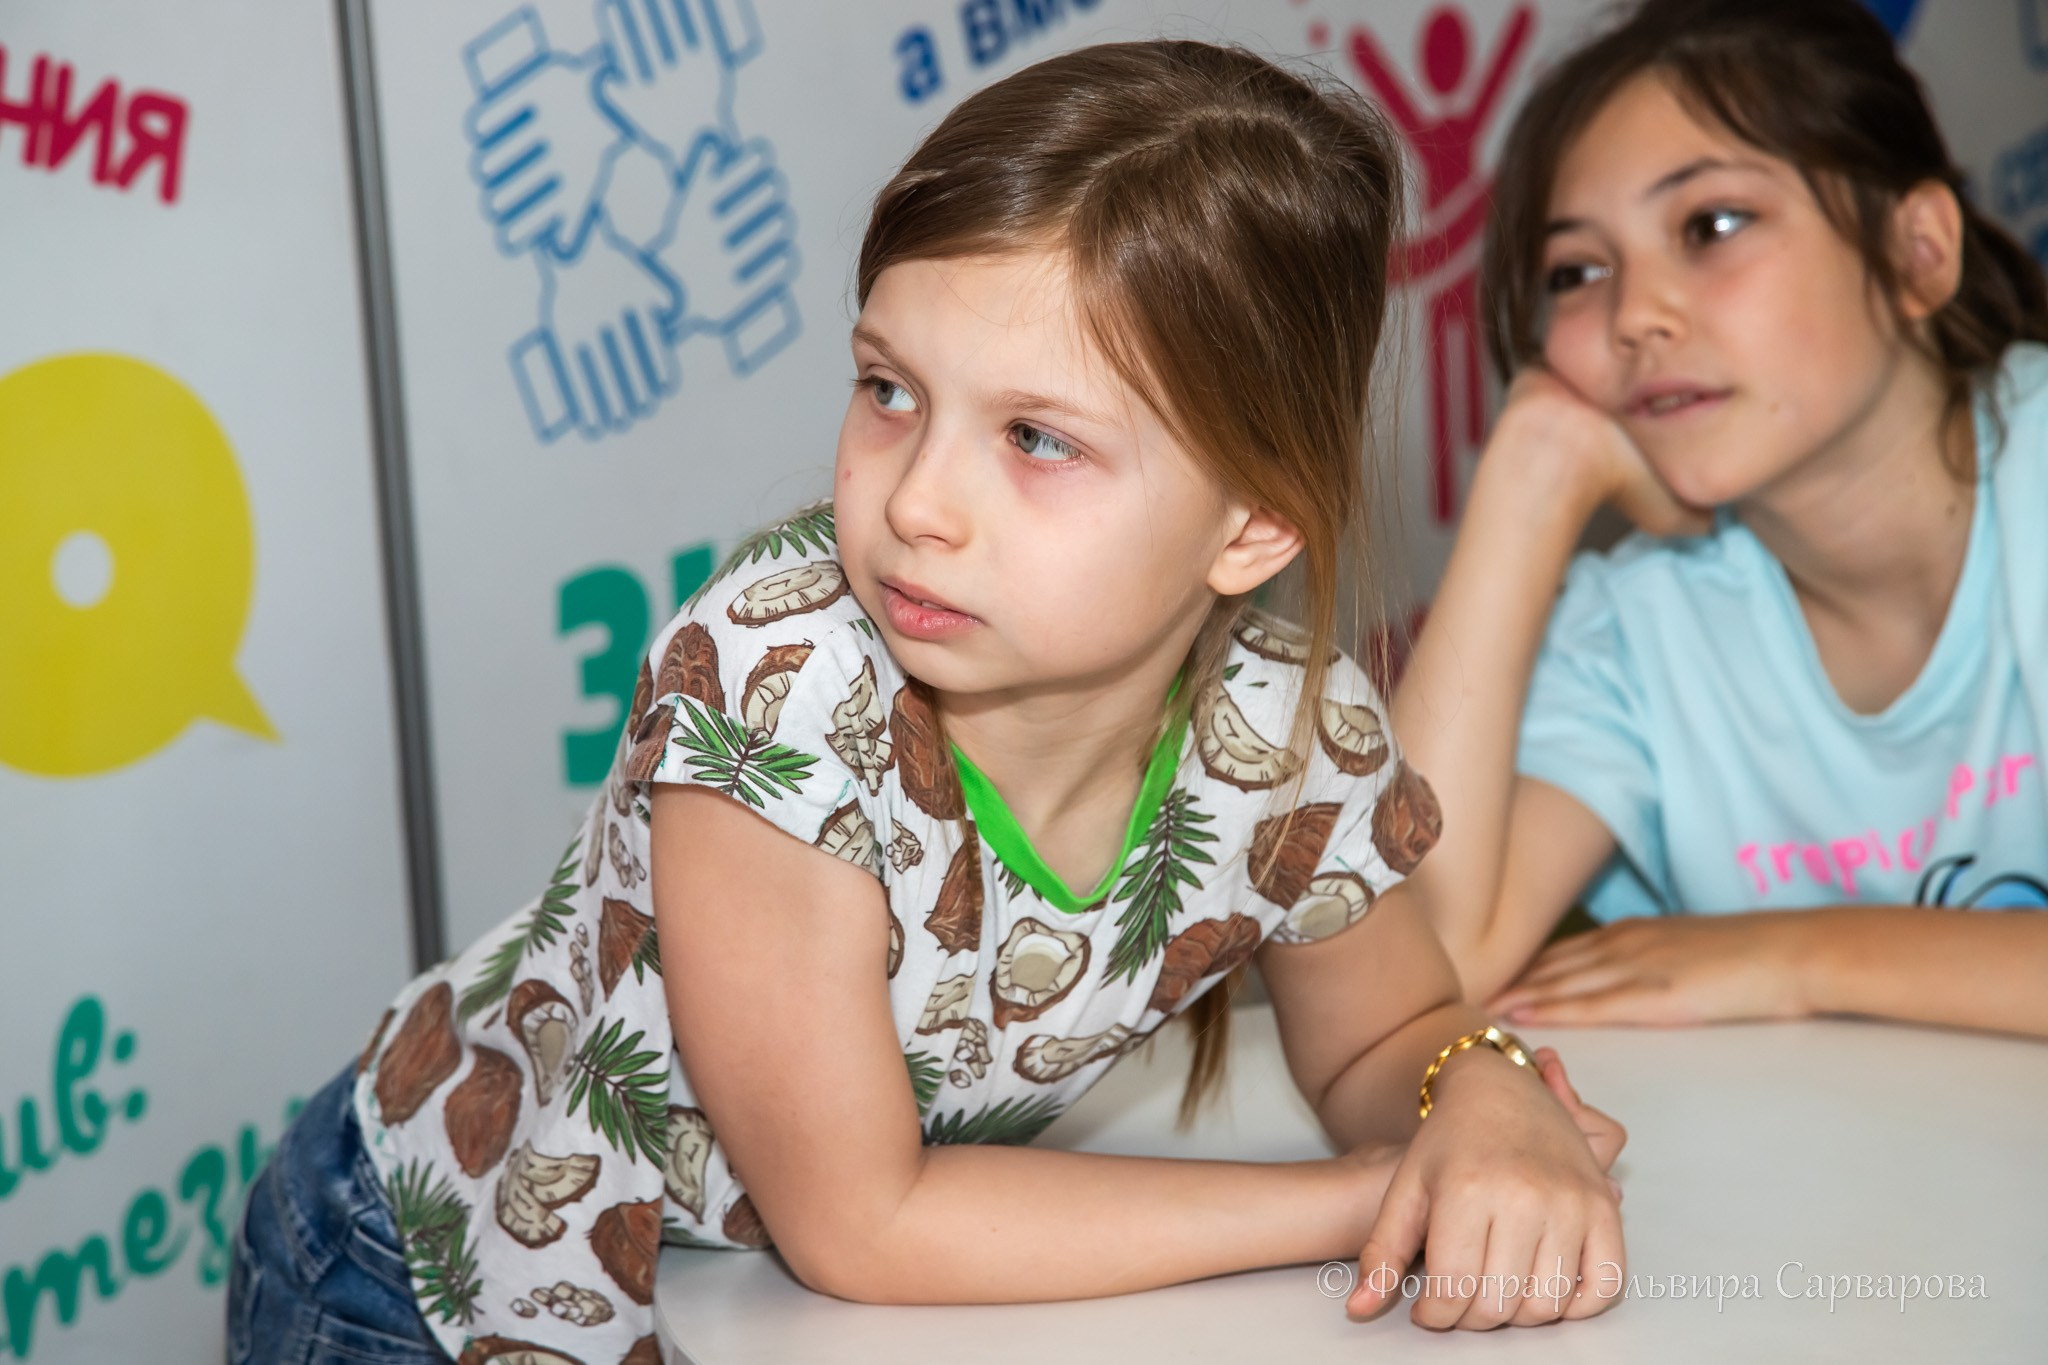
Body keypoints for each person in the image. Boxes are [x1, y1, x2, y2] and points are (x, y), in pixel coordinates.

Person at [227, 39, 1628, 1365]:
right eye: (888, 389)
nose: (914, 502)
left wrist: (1484, 1092)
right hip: (420, 1276)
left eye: (1035, 438)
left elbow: (1391, 1034)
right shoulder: (775, 690)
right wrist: (1370, 1198)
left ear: (1252, 525)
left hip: (750, 1298)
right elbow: (864, 1223)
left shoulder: (1292, 740)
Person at [1386, 0, 2048, 1035]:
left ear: (1917, 251)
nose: (1634, 313)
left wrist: (1793, 954)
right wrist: (1529, 473)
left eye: (1711, 225)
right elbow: (1419, 970)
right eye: (1576, 272)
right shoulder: (1632, 627)